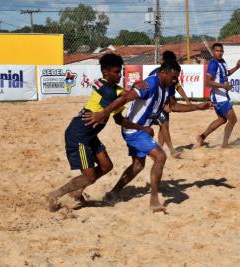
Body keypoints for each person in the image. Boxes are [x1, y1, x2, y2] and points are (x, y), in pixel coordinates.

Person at [82, 60, 210, 212]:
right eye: (174, 76)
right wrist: (103, 113)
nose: (176, 80)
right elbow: (125, 98)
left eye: (177, 77)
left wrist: (197, 107)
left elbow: (172, 107)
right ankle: (154, 200)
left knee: (138, 165)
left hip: (141, 130)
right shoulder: (150, 84)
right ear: (163, 73)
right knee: (160, 157)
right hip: (134, 129)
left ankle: (113, 192)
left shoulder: (167, 87)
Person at [45, 53, 152, 212]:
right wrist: (134, 87)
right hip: (78, 135)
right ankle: (54, 194)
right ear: (105, 73)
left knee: (107, 166)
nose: (119, 75)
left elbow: (119, 119)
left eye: (121, 71)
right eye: (116, 72)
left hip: (90, 136)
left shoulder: (116, 90)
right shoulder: (103, 86)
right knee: (89, 176)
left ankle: (77, 191)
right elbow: (122, 97)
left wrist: (142, 128)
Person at [196, 43, 240, 148]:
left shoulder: (222, 62)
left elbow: (226, 73)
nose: (219, 53)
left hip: (222, 96)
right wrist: (223, 86)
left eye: (221, 51)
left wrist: (237, 67)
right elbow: (207, 82)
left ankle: (201, 137)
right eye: (217, 51)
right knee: (233, 119)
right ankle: (225, 144)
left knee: (222, 120)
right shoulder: (213, 64)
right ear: (213, 52)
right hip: (219, 97)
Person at [148, 50, 191, 158]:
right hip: (154, 104)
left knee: (164, 127)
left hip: (163, 102)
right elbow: (153, 92)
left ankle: (160, 148)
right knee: (164, 125)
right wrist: (164, 105)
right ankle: (172, 150)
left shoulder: (170, 75)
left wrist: (186, 99)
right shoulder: (161, 74)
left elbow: (177, 86)